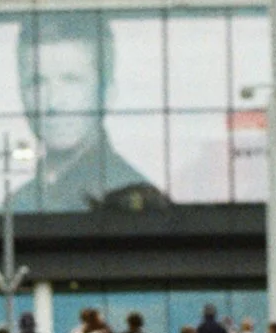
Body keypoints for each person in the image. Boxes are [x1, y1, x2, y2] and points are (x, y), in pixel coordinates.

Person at [10, 15, 169, 213]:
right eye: (37, 82)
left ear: (108, 93)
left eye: (72, 80)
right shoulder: (17, 203)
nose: (53, 102)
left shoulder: (134, 202)